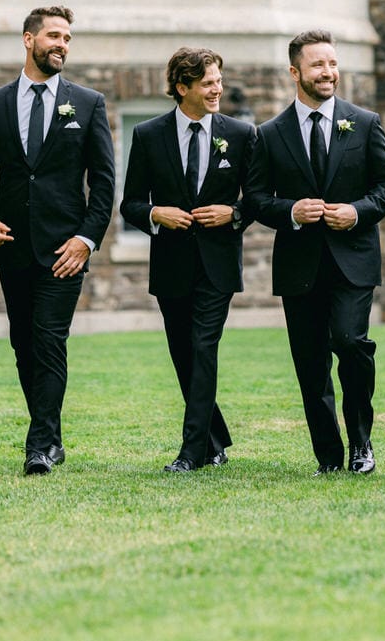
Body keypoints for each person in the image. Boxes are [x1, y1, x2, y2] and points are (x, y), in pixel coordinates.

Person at [0, 6, 115, 476]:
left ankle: (40, 444)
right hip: (11, 247)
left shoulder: (87, 103)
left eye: (67, 37)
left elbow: (104, 182)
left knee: (49, 338)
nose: (62, 44)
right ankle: (52, 434)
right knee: (23, 342)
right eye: (53, 36)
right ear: (29, 40)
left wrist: (86, 239)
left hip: (66, 249)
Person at [244, 30, 385, 475]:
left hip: (353, 260)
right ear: (295, 72)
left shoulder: (366, 122)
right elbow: (255, 198)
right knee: (310, 363)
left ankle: (361, 444)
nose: (328, 72)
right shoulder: (270, 134)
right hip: (299, 266)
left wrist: (357, 212)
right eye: (318, 65)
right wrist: (290, 210)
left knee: (351, 343)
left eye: (332, 64)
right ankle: (329, 457)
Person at [120, 48, 257, 473]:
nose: (217, 89)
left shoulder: (240, 134)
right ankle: (215, 439)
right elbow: (129, 204)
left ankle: (192, 451)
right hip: (171, 264)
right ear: (183, 88)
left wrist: (233, 213)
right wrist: (154, 214)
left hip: (217, 264)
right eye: (209, 83)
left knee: (203, 347)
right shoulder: (147, 135)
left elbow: (258, 199)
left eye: (219, 80)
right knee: (183, 354)